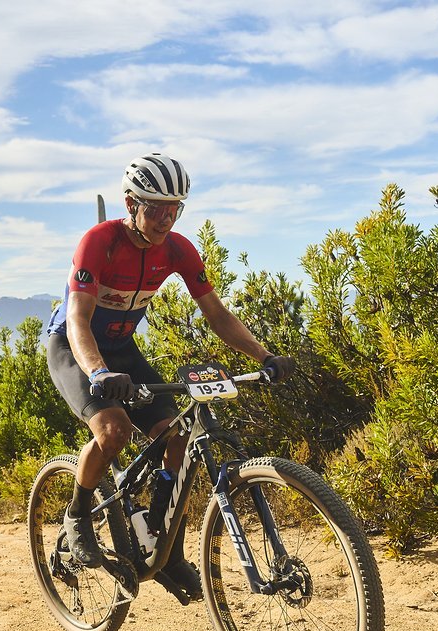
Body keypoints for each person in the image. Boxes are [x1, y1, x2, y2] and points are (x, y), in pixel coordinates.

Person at [45, 152, 296, 600]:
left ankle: (167, 548)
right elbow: (80, 322)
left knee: (176, 435)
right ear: (131, 204)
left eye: (175, 209)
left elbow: (216, 314)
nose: (166, 218)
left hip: (121, 348)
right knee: (113, 429)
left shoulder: (178, 249)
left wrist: (265, 355)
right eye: (157, 208)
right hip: (75, 346)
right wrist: (99, 371)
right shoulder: (97, 243)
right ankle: (78, 515)